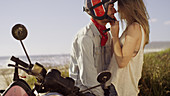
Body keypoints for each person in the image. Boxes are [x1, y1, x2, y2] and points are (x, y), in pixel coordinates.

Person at [69, 0, 118, 96]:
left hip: (101, 88)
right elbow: (87, 79)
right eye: (111, 7)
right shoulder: (85, 38)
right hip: (84, 91)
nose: (115, 11)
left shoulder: (107, 35)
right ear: (99, 9)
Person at [107, 0, 150, 96]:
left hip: (121, 88)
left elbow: (122, 62)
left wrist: (115, 36)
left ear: (128, 7)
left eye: (120, 7)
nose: (118, 11)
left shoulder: (134, 28)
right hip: (119, 86)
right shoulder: (133, 28)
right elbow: (115, 56)